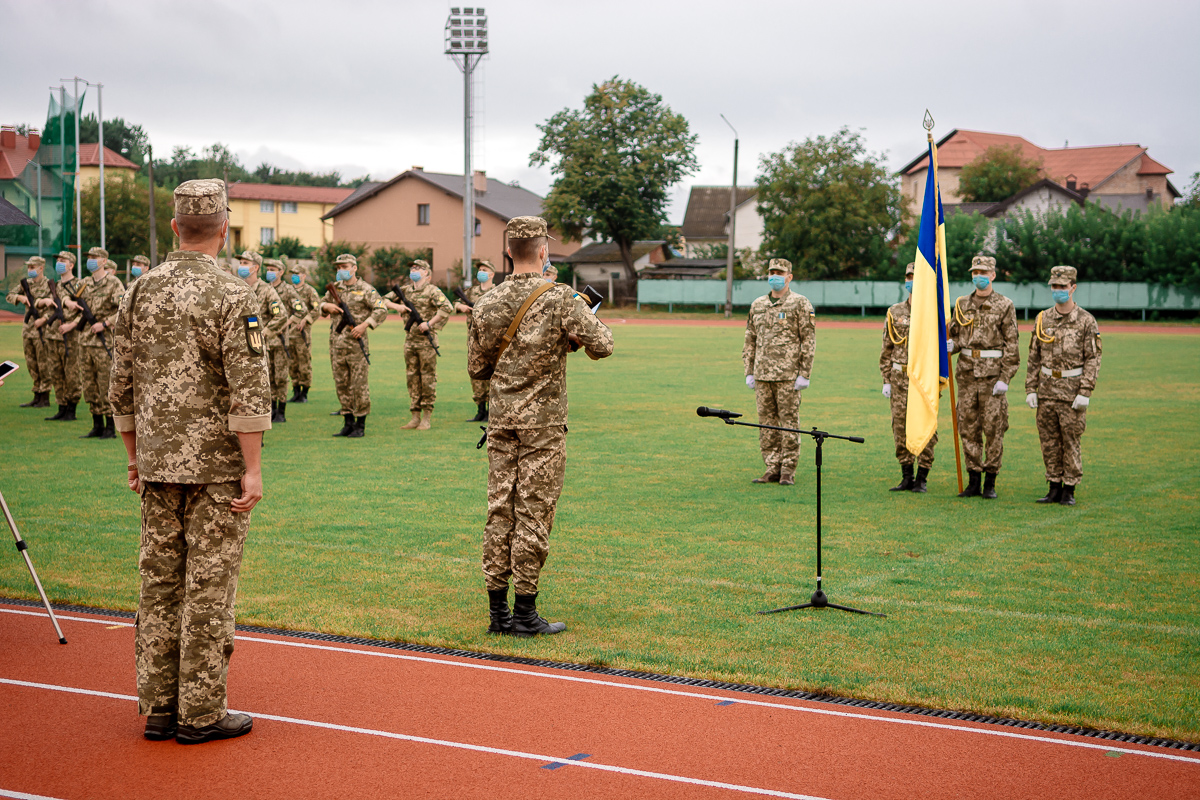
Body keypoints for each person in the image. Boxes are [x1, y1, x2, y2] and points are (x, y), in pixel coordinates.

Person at [109, 178, 270, 744]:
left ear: (176, 227)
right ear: (224, 230)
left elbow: (120, 385)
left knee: (159, 583)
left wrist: (135, 456)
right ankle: (199, 712)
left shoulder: (139, 291)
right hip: (215, 468)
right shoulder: (234, 295)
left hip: (157, 464)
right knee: (208, 586)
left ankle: (158, 706)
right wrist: (252, 468)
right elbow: (248, 390)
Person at [468, 216, 614, 637]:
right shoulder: (563, 298)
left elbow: (478, 368)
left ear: (508, 251)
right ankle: (526, 613)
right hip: (543, 424)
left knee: (500, 510)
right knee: (533, 512)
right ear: (544, 250)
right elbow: (603, 345)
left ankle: (498, 612)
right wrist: (568, 339)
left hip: (501, 420)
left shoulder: (487, 302)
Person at [1025, 266, 1101, 506]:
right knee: (1048, 441)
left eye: (1062, 287)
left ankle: (1069, 488)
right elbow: (1033, 356)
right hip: (1047, 389)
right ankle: (1053, 486)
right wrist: (1030, 388)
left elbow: (1093, 357)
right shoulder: (1042, 319)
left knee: (1070, 440)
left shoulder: (1086, 320)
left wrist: (1086, 391)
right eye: (1054, 287)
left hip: (1072, 391)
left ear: (1072, 288)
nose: (1057, 291)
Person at [947, 256, 1020, 499]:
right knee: (968, 428)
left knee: (993, 429)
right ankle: (973, 480)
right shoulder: (961, 304)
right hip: (967, 376)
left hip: (992, 378)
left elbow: (1012, 344)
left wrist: (1005, 378)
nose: (979, 275)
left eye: (984, 271)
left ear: (993, 275)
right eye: (975, 271)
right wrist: (951, 345)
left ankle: (990, 481)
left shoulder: (1004, 304)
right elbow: (958, 337)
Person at [742, 258, 816, 486]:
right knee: (766, 424)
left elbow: (808, 340)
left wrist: (805, 373)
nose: (774, 275)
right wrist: (749, 370)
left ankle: (787, 470)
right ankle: (771, 467)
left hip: (788, 377)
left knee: (789, 423)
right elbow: (750, 339)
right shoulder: (758, 305)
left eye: (779, 272)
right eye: (771, 271)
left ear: (789, 276)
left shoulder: (800, 303)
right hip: (763, 375)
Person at [880, 263, 937, 492]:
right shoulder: (895, 312)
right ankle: (906, 475)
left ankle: (922, 477)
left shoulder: (933, 310)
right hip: (899, 379)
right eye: (908, 276)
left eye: (916, 276)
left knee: (925, 427)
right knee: (900, 428)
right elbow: (887, 348)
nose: (911, 280)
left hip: (924, 380)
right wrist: (886, 379)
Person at [319, 254, 387, 437]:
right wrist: (326, 306)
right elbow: (320, 303)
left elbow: (381, 308)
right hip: (337, 346)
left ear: (354, 268)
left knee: (359, 386)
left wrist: (365, 324)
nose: (341, 270)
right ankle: (347, 422)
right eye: (339, 267)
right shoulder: (336, 288)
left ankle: (360, 425)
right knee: (342, 385)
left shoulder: (366, 289)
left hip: (356, 346)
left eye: (344, 266)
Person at [383, 259, 452, 430]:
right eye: (413, 267)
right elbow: (381, 300)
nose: (414, 270)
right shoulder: (405, 291)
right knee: (412, 377)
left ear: (427, 274)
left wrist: (429, 324)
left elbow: (447, 308)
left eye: (419, 268)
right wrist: (396, 307)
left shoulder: (432, 291)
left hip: (426, 342)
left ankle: (426, 417)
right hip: (410, 341)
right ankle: (414, 416)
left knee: (427, 378)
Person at [75, 247, 125, 439]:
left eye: (95, 258)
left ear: (104, 261)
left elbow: (123, 307)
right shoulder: (85, 283)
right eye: (89, 257)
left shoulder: (113, 283)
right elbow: (73, 300)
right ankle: (96, 424)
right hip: (85, 342)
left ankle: (109, 427)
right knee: (89, 385)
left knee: (105, 384)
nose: (91, 260)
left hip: (102, 343)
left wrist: (105, 323)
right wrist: (67, 302)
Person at [237, 251, 288, 423]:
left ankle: (260, 427)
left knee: (259, 389)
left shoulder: (267, 291)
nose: (241, 266)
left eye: (245, 263)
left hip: (257, 348)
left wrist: (263, 333)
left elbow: (280, 315)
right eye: (241, 262)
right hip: (236, 348)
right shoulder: (235, 289)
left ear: (256, 267)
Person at [40, 251, 85, 421]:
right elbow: (41, 303)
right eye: (57, 260)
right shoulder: (54, 285)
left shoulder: (80, 285)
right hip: (53, 335)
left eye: (62, 260)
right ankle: (61, 407)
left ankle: (71, 408)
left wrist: (72, 324)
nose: (59, 262)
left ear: (71, 265)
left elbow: (87, 310)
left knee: (71, 373)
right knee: (55, 372)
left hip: (71, 336)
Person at [7, 256, 54, 408]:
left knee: (43, 363)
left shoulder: (49, 285)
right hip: (28, 330)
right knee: (31, 363)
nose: (30, 270)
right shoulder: (25, 283)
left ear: (41, 268)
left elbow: (55, 307)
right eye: (28, 267)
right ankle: (36, 394)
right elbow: (9, 295)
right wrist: (19, 297)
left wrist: (45, 319)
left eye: (33, 267)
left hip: (43, 330)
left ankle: (45, 396)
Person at [455, 259, 497, 422]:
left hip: (492, 341)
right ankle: (480, 410)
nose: (481, 272)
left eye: (485, 269)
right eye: (480, 269)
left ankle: (491, 411)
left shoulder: (497, 291)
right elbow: (456, 303)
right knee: (476, 375)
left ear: (492, 274)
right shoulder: (471, 291)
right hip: (474, 340)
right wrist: (462, 308)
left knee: (493, 375)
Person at [284, 262, 320, 403]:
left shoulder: (309, 291)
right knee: (292, 364)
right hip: (288, 333)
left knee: (304, 363)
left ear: (304, 276)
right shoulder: (287, 290)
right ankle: (296, 391)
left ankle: (304, 393)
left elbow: (316, 309)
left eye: (297, 274)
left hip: (302, 334)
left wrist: (306, 319)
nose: (294, 277)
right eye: (293, 274)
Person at [263, 258, 293, 421]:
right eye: (268, 269)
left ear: (281, 272)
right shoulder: (264, 289)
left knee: (280, 377)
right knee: (268, 377)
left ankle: (281, 410)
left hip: (280, 340)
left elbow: (300, 310)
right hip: (266, 341)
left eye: (273, 269)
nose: (270, 272)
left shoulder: (288, 290)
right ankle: (271, 408)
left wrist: (286, 323)